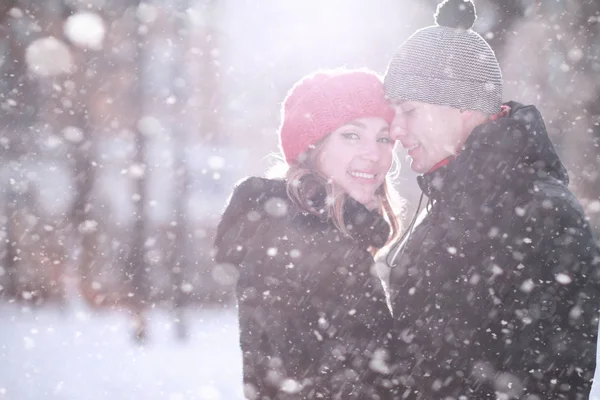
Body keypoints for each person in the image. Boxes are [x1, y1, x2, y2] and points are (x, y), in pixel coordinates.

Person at [382, 0, 600, 398]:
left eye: (408, 110)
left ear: (464, 106)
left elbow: (548, 384)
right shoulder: (447, 206)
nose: (395, 130)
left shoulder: (542, 213)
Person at [214, 69, 404, 399]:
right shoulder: (299, 238)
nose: (375, 153)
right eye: (352, 135)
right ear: (312, 148)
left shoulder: (329, 233)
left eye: (383, 138)